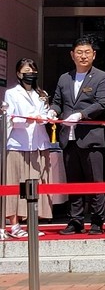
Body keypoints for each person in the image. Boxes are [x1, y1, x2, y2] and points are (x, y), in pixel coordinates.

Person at [50, 37, 105, 235]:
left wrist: (81, 115)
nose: (83, 56)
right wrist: (52, 111)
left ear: (93, 55)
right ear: (72, 55)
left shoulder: (102, 77)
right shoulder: (64, 78)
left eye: (87, 52)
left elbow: (102, 103)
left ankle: (97, 221)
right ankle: (75, 221)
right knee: (73, 181)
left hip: (91, 138)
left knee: (95, 181)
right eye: (79, 52)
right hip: (68, 138)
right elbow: (57, 102)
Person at [4, 58, 57, 238]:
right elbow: (10, 117)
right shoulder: (12, 93)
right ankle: (14, 225)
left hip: (38, 143)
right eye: (26, 71)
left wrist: (48, 116)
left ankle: (31, 224)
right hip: (18, 144)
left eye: (33, 71)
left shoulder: (41, 93)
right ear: (18, 74)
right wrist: (28, 118)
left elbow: (45, 113)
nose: (30, 74)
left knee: (36, 184)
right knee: (14, 183)